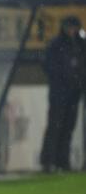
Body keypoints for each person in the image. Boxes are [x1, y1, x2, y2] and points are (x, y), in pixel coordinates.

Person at [40, 16, 86, 172]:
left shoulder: (81, 44)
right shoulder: (56, 44)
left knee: (68, 127)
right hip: (59, 92)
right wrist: (64, 78)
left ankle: (63, 161)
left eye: (74, 27)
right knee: (55, 126)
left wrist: (78, 80)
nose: (72, 31)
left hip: (74, 93)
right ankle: (49, 161)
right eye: (70, 27)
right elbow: (48, 65)